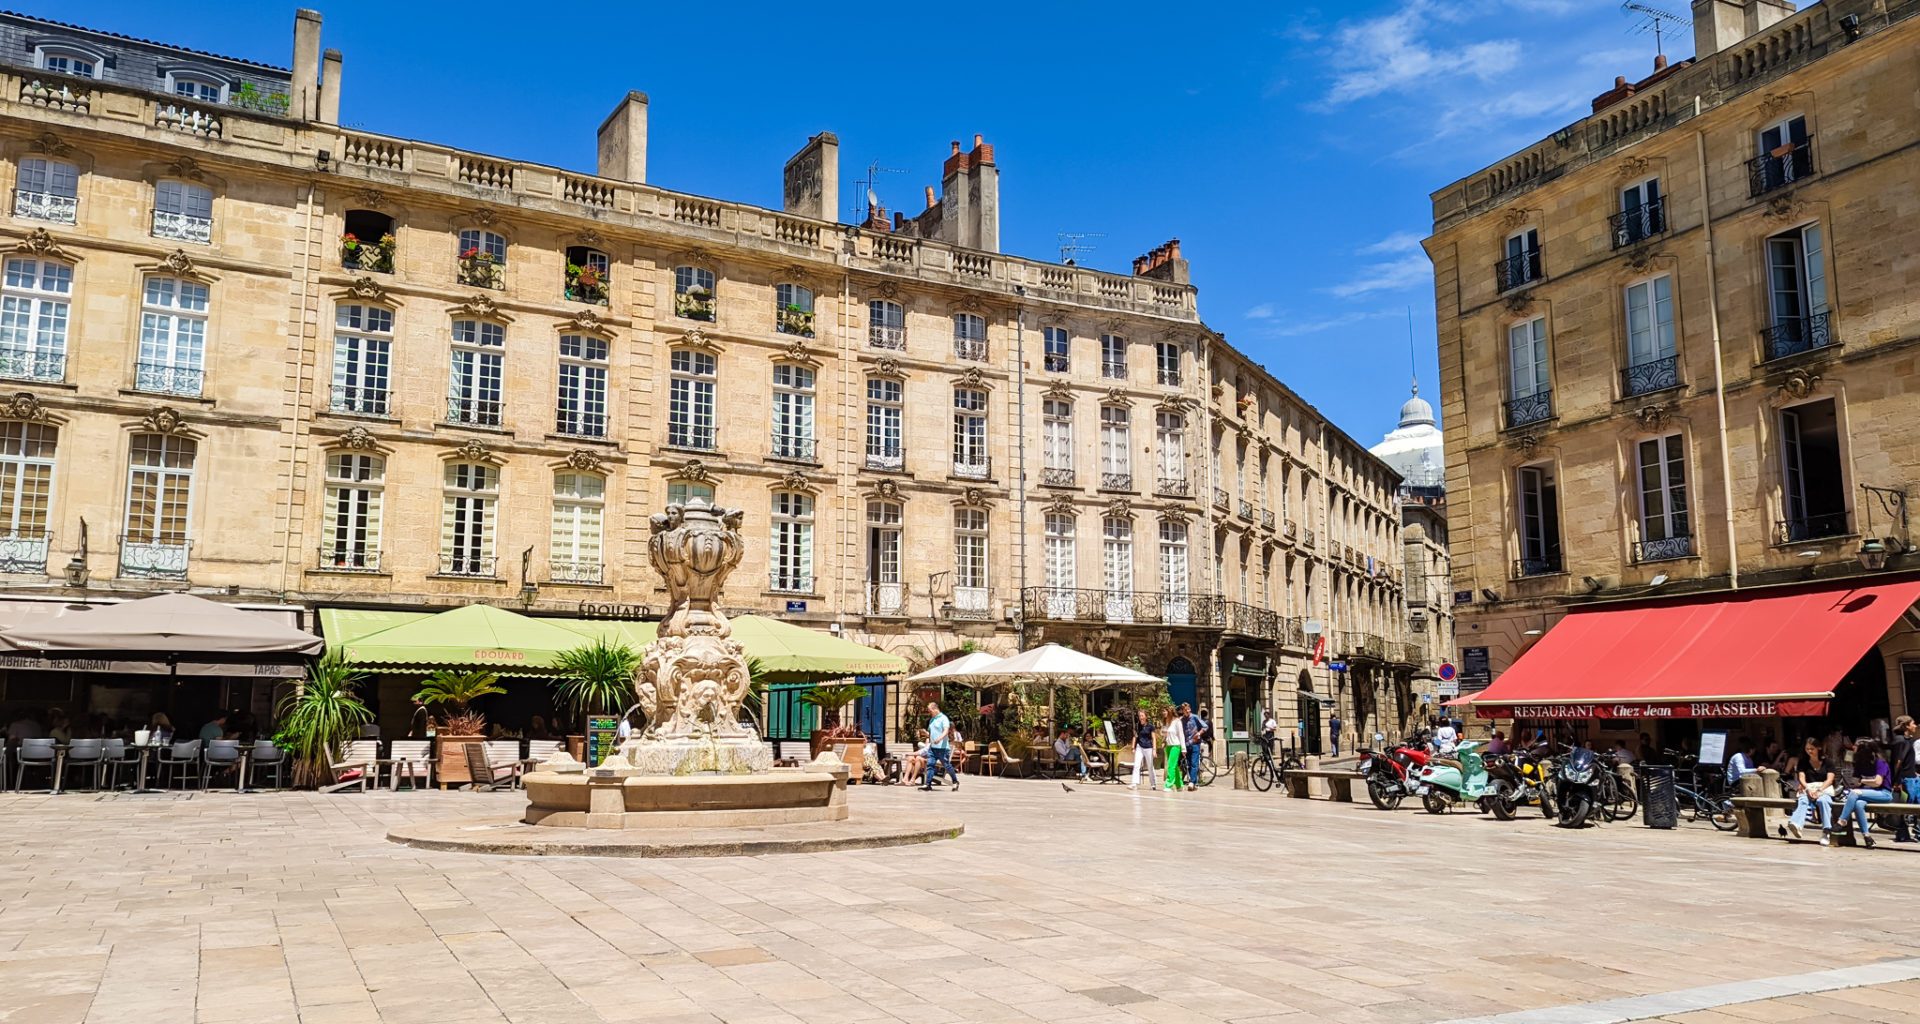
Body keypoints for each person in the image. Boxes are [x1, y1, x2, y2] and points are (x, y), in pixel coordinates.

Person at [1780, 737, 1836, 844]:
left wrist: (1819, 791)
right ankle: (1796, 824)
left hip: (1823, 788)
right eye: (1807, 749)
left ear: (1818, 748)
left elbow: (1830, 779)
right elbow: (1801, 778)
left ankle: (1826, 830)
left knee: (1823, 801)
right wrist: (1807, 788)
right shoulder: (1803, 762)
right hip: (1809, 788)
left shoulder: (1828, 762)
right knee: (1803, 800)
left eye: (1812, 748)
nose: (1809, 751)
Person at [1840, 739, 1893, 849]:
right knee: (1859, 804)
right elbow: (1855, 781)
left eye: (1855, 746)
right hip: (1866, 793)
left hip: (1884, 793)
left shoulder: (1880, 762)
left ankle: (1842, 821)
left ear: (1863, 750)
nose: (1853, 748)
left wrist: (1862, 781)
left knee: (1854, 794)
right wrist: (1858, 782)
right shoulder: (1859, 763)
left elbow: (1878, 782)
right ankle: (1867, 837)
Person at [1889, 716, 1919, 843]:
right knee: (1907, 806)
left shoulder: (1906, 740)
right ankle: (1903, 832)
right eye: (1913, 723)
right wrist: (1897, 781)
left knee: (1913, 805)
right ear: (1906, 725)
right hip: (1906, 779)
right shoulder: (1901, 741)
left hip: (1911, 776)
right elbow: (1898, 762)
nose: (1915, 726)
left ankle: (1907, 833)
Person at [919, 701, 957, 791]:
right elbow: (931, 734)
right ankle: (928, 784)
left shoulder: (944, 718)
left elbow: (946, 731)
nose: (929, 713)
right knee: (930, 765)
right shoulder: (932, 720)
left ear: (935, 709)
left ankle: (955, 782)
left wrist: (940, 739)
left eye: (930, 711)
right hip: (933, 748)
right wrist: (926, 733)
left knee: (947, 766)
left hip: (942, 748)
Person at [1181, 704, 1209, 791]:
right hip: (1186, 744)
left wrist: (1199, 733)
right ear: (1183, 711)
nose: (1188, 711)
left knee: (1194, 763)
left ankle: (1192, 782)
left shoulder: (1195, 717)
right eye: (1186, 710)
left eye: (1189, 709)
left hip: (1195, 743)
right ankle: (1195, 783)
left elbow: (1205, 726)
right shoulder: (1181, 720)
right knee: (1188, 764)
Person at [1130, 709, 1158, 790]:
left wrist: (1154, 750)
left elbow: (1153, 738)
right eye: (1139, 716)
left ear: (1146, 716)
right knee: (1136, 765)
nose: (1141, 717)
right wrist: (1133, 747)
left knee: (1150, 766)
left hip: (1148, 747)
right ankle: (1134, 783)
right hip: (1139, 746)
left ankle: (1153, 783)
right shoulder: (1137, 726)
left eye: (1142, 716)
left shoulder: (1150, 726)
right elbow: (1135, 736)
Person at [1162, 707, 1187, 791]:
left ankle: (1169, 785)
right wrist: (1163, 732)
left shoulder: (1177, 722)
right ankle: (1179, 785)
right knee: (1174, 766)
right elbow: (1162, 732)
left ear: (1169, 712)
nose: (1163, 713)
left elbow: (1181, 735)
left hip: (1175, 746)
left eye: (1164, 711)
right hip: (1168, 746)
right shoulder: (1166, 722)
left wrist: (1183, 748)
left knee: (1170, 765)